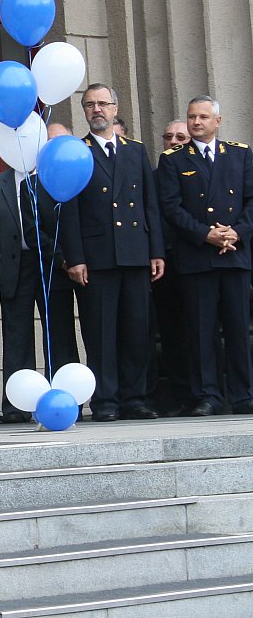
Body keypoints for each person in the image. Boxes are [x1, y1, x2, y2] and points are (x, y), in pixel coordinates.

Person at [63, 84, 164, 421]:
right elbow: (70, 209)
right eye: (90, 105)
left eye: (103, 104)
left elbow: (150, 205)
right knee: (100, 333)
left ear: (115, 107)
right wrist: (75, 257)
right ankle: (105, 401)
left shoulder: (135, 151)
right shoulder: (77, 151)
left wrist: (156, 251)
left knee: (137, 329)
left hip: (135, 253)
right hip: (97, 257)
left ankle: (135, 398)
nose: (97, 110)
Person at [156, 94, 253, 416]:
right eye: (192, 117)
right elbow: (171, 207)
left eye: (202, 117)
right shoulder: (173, 159)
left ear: (217, 121)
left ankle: (242, 395)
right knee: (201, 331)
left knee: (238, 329)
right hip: (198, 257)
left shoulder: (239, 155)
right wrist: (205, 235)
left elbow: (251, 200)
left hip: (234, 254)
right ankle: (208, 395)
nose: (196, 122)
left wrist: (236, 232)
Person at [0, 123, 79, 423]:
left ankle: (65, 399)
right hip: (16, 266)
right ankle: (16, 407)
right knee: (16, 337)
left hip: (54, 265)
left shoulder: (55, 180)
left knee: (59, 334)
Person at [151, 117, 193, 413]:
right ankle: (179, 396)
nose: (174, 141)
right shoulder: (152, 176)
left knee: (202, 330)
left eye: (181, 137)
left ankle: (209, 393)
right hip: (164, 264)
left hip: (198, 261)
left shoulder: (206, 172)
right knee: (171, 332)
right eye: (169, 137)